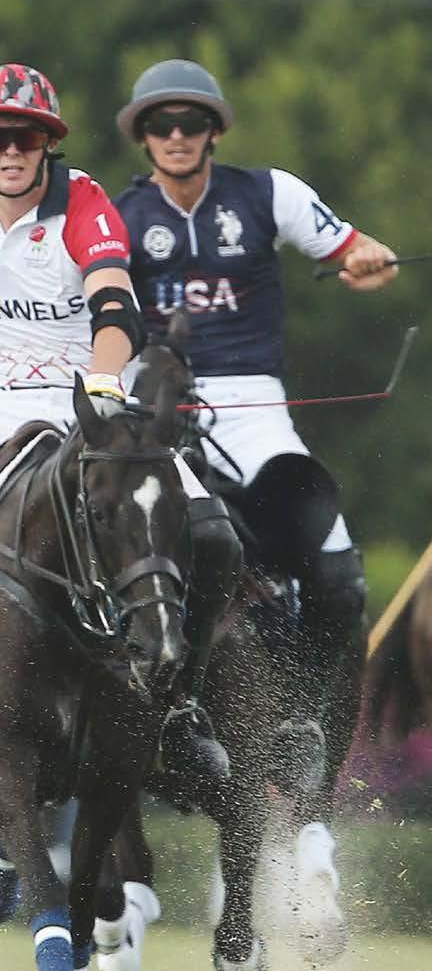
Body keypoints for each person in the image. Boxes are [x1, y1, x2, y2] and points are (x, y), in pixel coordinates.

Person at [114, 59, 397, 789]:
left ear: (214, 130)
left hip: (254, 405)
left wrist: (368, 259)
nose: (177, 135)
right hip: (155, 407)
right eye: (161, 124)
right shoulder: (118, 218)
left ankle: (301, 718)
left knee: (338, 572)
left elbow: (355, 253)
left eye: (191, 122)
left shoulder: (270, 193)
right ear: (143, 136)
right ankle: (172, 710)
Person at [0, 61, 230, 778]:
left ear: (48, 144)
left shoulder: (82, 199)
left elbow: (115, 306)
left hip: (91, 401)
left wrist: (103, 376)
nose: (11, 151)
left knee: (213, 534)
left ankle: (181, 705)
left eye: (25, 138)